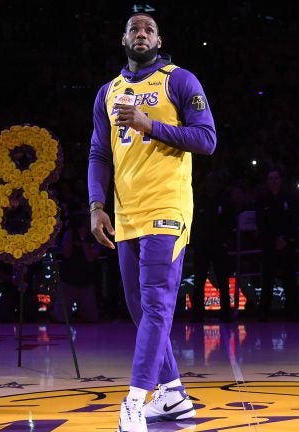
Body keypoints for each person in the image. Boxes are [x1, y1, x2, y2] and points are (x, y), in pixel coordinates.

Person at [87, 12, 216, 432]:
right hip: (126, 212)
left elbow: (206, 139)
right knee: (138, 307)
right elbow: (99, 155)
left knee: (157, 302)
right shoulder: (108, 92)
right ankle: (174, 395)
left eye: (148, 29)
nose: (141, 34)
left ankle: (134, 401)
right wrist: (96, 205)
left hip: (167, 206)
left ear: (159, 39)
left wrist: (150, 125)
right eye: (133, 29)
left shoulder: (180, 80)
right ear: (122, 39)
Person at [189, 171, 236, 323]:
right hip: (202, 246)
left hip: (219, 246)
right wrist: (195, 241)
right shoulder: (200, 200)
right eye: (208, 181)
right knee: (199, 280)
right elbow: (193, 222)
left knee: (223, 280)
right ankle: (197, 313)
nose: (211, 184)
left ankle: (226, 312)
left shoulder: (224, 201)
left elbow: (231, 222)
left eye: (213, 181)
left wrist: (225, 240)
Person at [255, 168, 299, 321]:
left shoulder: (290, 198)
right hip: (269, 245)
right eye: (270, 178)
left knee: (289, 278)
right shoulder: (262, 199)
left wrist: (285, 238)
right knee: (267, 279)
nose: (273, 181)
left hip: (286, 244)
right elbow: (260, 222)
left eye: (276, 178)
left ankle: (292, 310)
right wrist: (273, 240)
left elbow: (295, 220)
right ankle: (264, 311)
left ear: (280, 180)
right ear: (267, 181)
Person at [49, 212, 101, 323]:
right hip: (68, 282)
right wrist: (74, 235)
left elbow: (90, 257)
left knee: (91, 319)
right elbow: (66, 253)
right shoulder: (70, 234)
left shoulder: (96, 235)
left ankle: (80, 313)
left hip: (86, 283)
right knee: (60, 318)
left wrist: (83, 239)